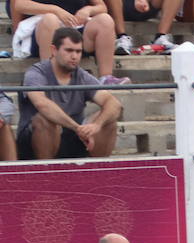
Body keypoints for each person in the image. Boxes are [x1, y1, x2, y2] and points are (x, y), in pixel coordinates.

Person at [17, 28, 121, 160]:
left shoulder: (82, 76)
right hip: (35, 141)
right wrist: (77, 127)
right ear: (54, 50)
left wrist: (96, 125)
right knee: (45, 120)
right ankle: (44, 175)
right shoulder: (36, 73)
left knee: (109, 121)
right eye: (69, 50)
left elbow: (113, 103)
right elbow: (42, 104)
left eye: (78, 51)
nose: (74, 56)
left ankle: (99, 173)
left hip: (74, 138)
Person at [9, 2, 122, 85]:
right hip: (43, 30)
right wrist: (55, 10)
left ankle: (106, 77)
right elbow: (20, 5)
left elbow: (101, 7)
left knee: (105, 20)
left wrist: (88, 10)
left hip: (76, 26)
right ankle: (50, 77)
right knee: (50, 19)